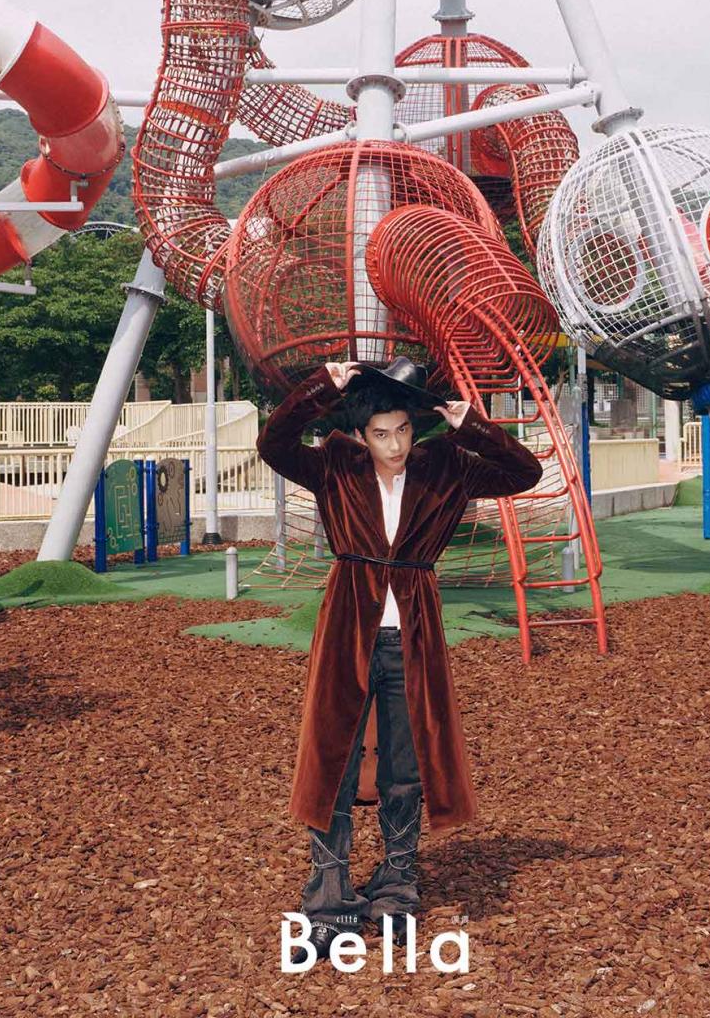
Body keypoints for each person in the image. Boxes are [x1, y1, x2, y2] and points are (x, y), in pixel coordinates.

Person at [255, 356, 543, 965]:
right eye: (381, 434)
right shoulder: (334, 464)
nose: (395, 445)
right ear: (362, 435)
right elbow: (273, 443)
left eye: (404, 431)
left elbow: (525, 472)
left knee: (405, 768)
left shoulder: (446, 467)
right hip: (346, 632)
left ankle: (396, 888)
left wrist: (471, 425)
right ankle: (329, 901)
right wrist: (320, 387)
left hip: (412, 635)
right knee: (332, 762)